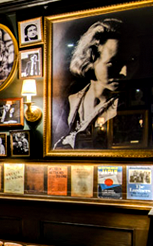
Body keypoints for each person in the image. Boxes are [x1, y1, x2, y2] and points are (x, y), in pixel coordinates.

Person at [53, 19, 133, 149]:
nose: (125, 72)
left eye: (132, 61)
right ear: (91, 59)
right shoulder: (70, 102)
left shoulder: (128, 107)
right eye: (114, 63)